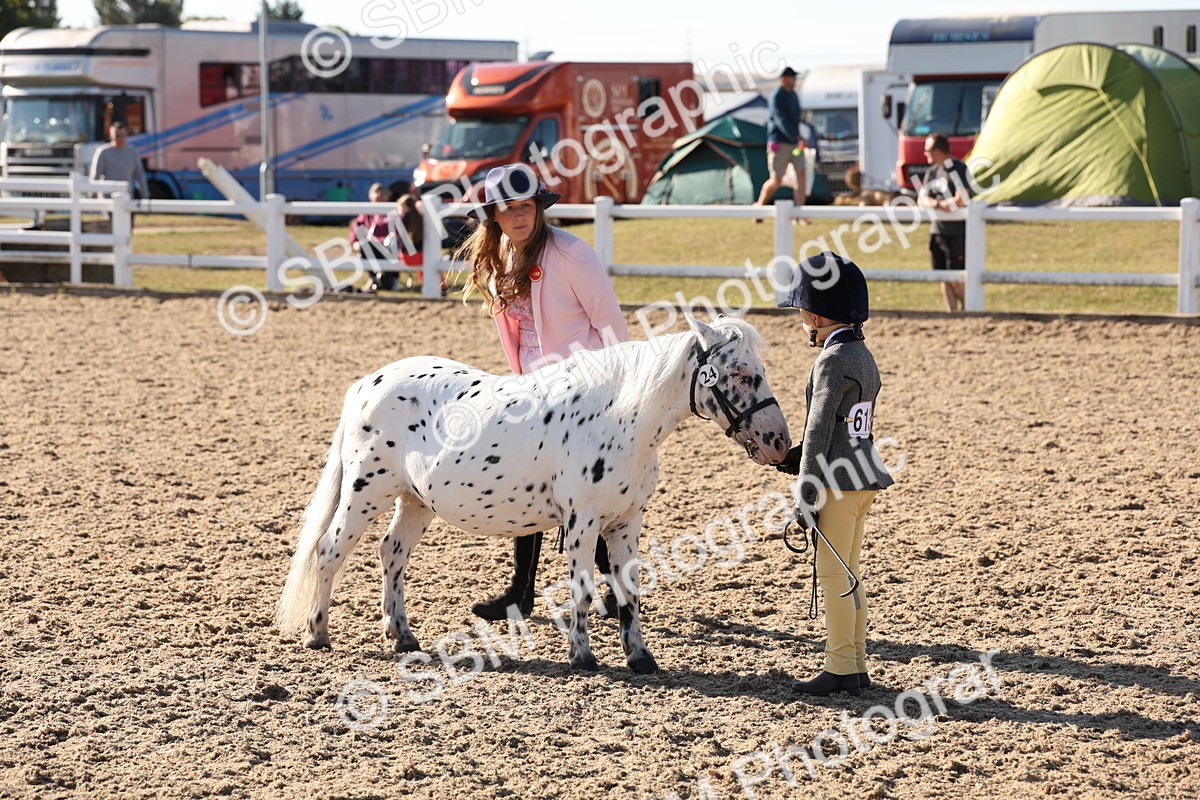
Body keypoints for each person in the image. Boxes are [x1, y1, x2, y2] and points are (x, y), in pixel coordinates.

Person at [459, 163, 629, 621]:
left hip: (585, 391)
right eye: (507, 209)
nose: (518, 216)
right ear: (493, 216)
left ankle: (616, 587)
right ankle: (521, 591)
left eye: (526, 206)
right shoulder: (500, 258)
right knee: (526, 483)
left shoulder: (572, 254)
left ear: (539, 208)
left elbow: (612, 327)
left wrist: (617, 395)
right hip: (532, 389)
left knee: (585, 495)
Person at [775, 251, 894, 696]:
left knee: (832, 577)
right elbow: (848, 425)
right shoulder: (863, 354)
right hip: (864, 477)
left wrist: (804, 495)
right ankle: (856, 664)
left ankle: (840, 666)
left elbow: (819, 430)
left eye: (802, 313)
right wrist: (796, 457)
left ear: (815, 315)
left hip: (836, 485)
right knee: (849, 573)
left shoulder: (830, 360)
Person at [918, 134, 973, 312]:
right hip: (937, 231)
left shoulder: (959, 168)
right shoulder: (932, 172)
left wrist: (936, 204)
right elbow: (921, 199)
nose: (925, 153)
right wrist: (939, 204)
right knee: (943, 277)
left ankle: (968, 311)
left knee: (956, 279)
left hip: (956, 233)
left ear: (939, 151)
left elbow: (960, 200)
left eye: (928, 150)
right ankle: (951, 313)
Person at [754, 66, 807, 216]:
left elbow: (795, 120)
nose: (795, 80)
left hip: (795, 145)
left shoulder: (793, 95)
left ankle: (799, 213)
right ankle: (759, 206)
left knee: (801, 174)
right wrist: (797, 136)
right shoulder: (776, 96)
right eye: (792, 77)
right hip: (780, 144)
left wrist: (798, 138)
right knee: (777, 180)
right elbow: (781, 120)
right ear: (783, 79)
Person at [89, 122, 150, 227]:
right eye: (117, 135)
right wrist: (93, 195)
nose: (120, 138)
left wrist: (145, 195)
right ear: (111, 136)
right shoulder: (103, 152)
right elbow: (96, 176)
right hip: (109, 201)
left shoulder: (132, 153)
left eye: (123, 135)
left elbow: (140, 175)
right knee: (112, 229)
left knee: (127, 229)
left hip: (128, 199)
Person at [348, 183, 394, 291]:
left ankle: (388, 280)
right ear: (370, 196)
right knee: (364, 245)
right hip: (369, 248)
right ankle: (374, 279)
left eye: (382, 192)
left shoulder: (392, 212)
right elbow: (356, 229)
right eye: (376, 192)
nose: (378, 195)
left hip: (387, 249)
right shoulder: (366, 213)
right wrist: (354, 243)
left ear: (387, 196)